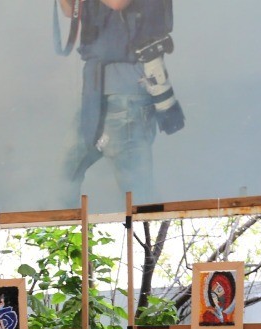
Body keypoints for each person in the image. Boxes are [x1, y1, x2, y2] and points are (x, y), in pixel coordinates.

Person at [55, 0, 182, 205]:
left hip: (128, 96)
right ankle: (61, 224)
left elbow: (117, 2)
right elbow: (71, 11)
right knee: (64, 178)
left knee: (138, 197)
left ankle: (153, 226)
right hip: (95, 95)